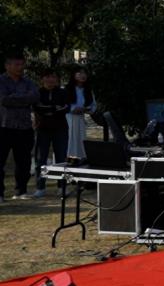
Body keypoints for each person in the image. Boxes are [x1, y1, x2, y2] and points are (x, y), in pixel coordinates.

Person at [0, 53, 40, 202]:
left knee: (24, 162)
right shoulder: (1, 81)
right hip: (3, 125)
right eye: (17, 64)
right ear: (7, 66)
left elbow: (35, 97)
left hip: (24, 127)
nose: (20, 67)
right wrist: (24, 99)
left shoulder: (28, 82)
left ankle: (21, 191)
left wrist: (15, 97)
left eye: (22, 64)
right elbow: (4, 100)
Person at [32, 70, 70, 198]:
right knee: (40, 158)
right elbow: (37, 107)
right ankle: (40, 187)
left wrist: (48, 109)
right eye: (48, 77)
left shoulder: (63, 92)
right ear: (42, 78)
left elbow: (66, 108)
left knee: (61, 159)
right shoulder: (37, 92)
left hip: (60, 128)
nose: (51, 80)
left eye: (53, 77)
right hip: (42, 128)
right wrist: (54, 108)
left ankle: (62, 187)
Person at [65, 67, 97, 160]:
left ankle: (81, 159)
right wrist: (72, 109)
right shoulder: (67, 89)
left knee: (81, 140)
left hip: (80, 118)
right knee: (70, 139)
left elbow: (93, 105)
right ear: (74, 75)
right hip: (69, 118)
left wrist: (86, 109)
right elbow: (63, 104)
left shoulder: (88, 90)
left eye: (84, 73)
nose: (82, 75)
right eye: (79, 73)